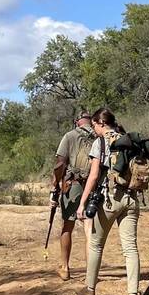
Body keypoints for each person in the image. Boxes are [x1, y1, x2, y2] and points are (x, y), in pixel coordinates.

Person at [77, 108, 141, 295]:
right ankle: (133, 294)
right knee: (130, 248)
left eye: (95, 125)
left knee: (96, 244)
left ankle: (90, 290)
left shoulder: (101, 143)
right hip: (131, 199)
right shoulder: (128, 139)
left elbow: (94, 175)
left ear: (101, 123)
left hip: (110, 199)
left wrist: (82, 202)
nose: (94, 129)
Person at [50, 110, 97, 280]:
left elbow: (60, 165)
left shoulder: (69, 136)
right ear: (90, 122)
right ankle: (90, 273)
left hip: (73, 186)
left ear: (77, 122)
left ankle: (65, 268)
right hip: (93, 186)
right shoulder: (98, 137)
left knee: (67, 226)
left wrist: (55, 186)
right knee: (89, 229)